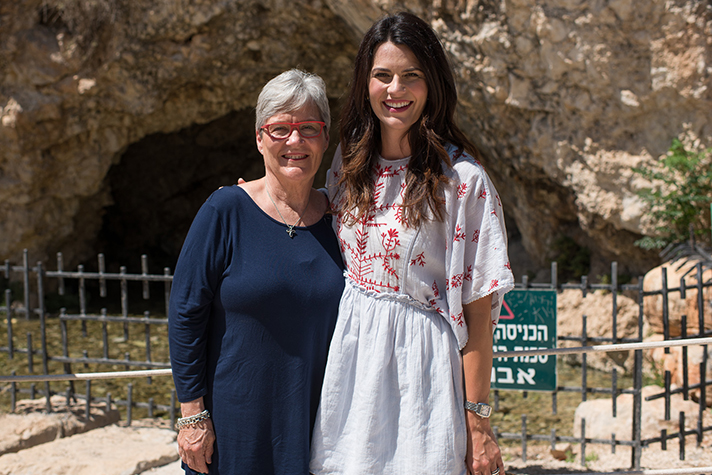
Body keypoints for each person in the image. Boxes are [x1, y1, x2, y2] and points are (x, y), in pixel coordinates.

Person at [309, 12, 515, 475]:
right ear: (366, 83)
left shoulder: (463, 182)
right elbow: (312, 214)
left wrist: (479, 425)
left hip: (420, 373)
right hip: (349, 370)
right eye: (382, 75)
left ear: (432, 84)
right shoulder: (348, 162)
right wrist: (259, 199)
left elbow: (479, 316)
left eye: (411, 76)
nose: (395, 89)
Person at [168, 69, 345, 475]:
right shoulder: (225, 210)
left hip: (322, 430)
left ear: (325, 138)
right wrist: (192, 416)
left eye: (309, 128)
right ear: (259, 138)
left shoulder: (345, 220)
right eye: (280, 128)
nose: (295, 140)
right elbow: (185, 312)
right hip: (233, 431)